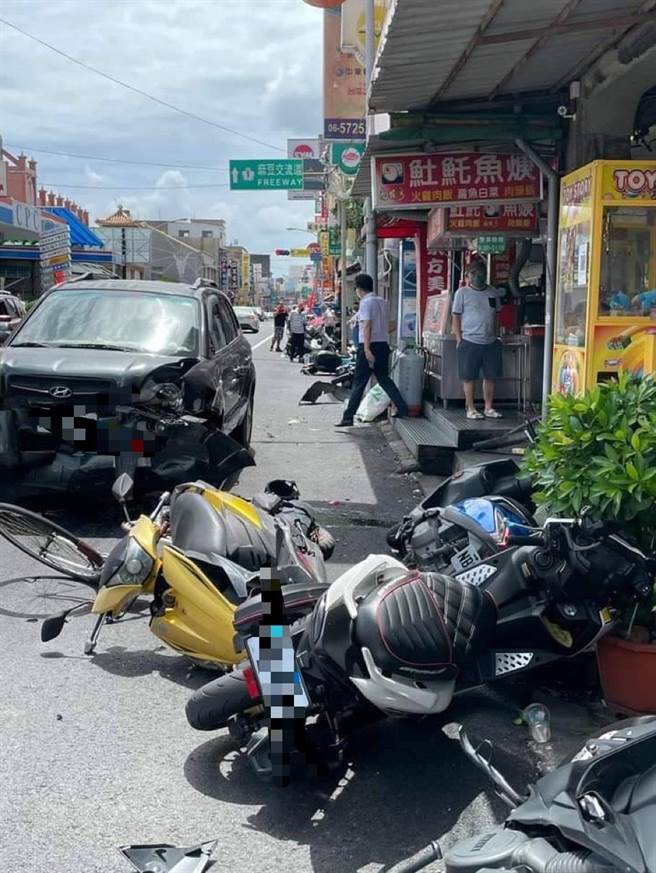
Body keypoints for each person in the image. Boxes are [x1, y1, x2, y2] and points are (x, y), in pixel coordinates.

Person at [335, 273, 408, 427]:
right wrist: (381, 334)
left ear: (359, 289)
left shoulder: (365, 303)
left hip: (369, 345)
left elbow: (366, 325)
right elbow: (392, 324)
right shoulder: (382, 302)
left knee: (359, 382)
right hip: (383, 344)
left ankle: (348, 417)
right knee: (383, 378)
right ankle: (402, 407)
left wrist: (367, 349)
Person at [452, 260, 503, 420]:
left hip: (490, 340)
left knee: (491, 376)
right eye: (473, 274)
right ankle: (471, 408)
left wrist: (497, 335)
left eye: (480, 273)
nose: (477, 276)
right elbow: (456, 316)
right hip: (469, 339)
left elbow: (497, 314)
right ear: (468, 276)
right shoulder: (462, 293)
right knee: (469, 376)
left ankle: (488, 407)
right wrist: (459, 338)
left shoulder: (493, 292)